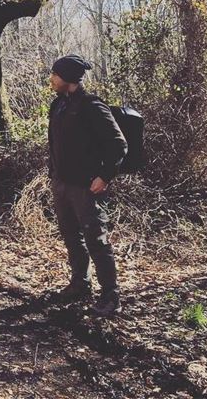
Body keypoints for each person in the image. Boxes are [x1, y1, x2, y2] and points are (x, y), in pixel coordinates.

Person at [48, 54, 127, 317]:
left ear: (68, 78)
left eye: (55, 74)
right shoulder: (57, 105)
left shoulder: (92, 106)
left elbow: (118, 144)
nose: (51, 79)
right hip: (62, 185)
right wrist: (55, 177)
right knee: (72, 237)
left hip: (87, 188)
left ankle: (110, 297)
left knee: (97, 241)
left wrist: (104, 177)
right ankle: (80, 284)